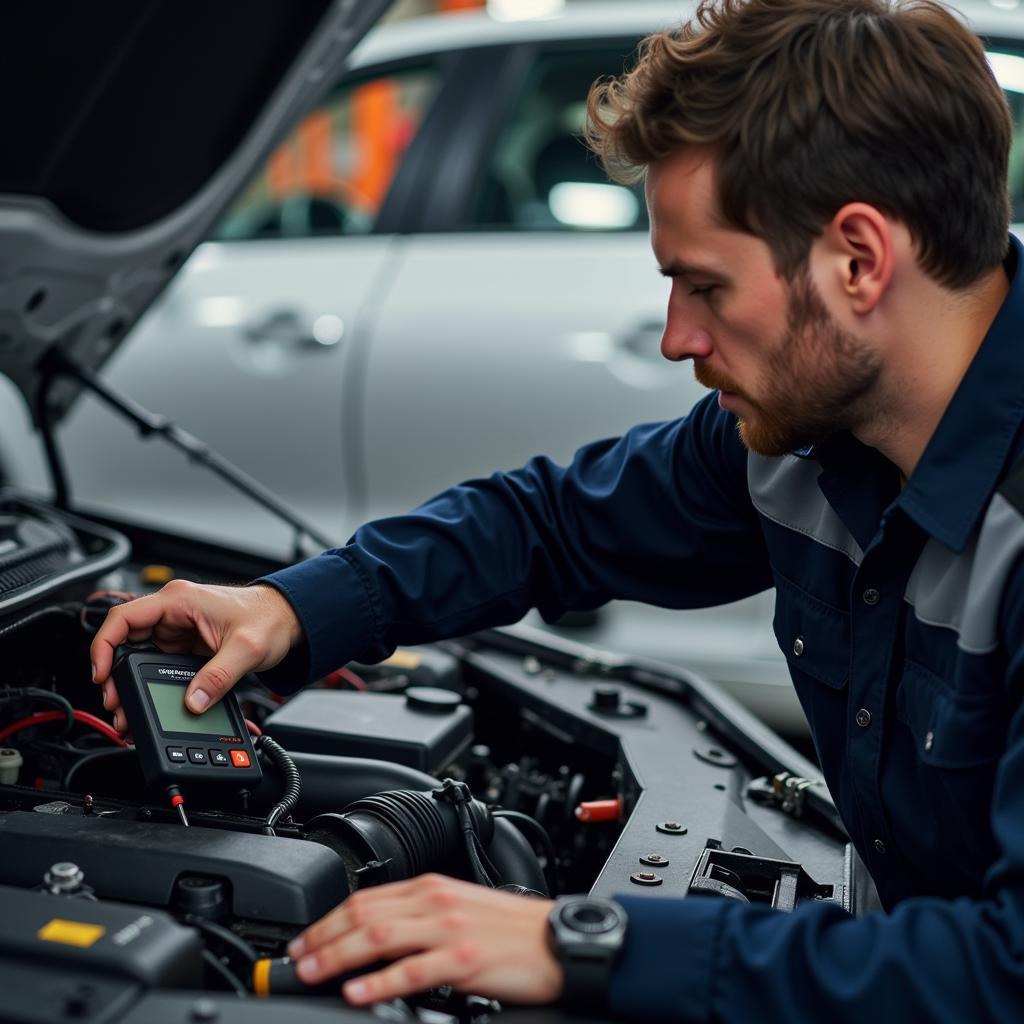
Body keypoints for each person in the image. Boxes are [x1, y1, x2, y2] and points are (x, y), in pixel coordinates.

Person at [90, 0, 1024, 1019]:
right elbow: (550, 520)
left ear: (857, 259)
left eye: (702, 285)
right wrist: (294, 608)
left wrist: (581, 940)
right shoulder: (801, 441)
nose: (676, 337)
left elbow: (1004, 970)